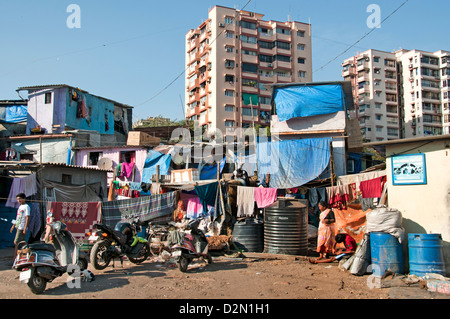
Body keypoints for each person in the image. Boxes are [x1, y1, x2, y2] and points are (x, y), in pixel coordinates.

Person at [10, 193, 30, 258]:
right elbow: (18, 217)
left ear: (24, 198)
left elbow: (27, 217)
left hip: (22, 227)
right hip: (18, 226)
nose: (19, 200)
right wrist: (14, 225)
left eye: (20, 199)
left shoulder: (26, 206)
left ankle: (15, 258)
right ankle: (27, 254)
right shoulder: (20, 207)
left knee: (16, 242)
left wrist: (25, 228)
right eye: (18, 199)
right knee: (23, 242)